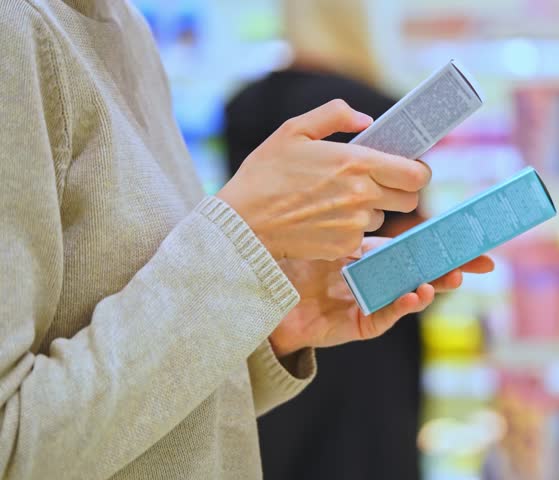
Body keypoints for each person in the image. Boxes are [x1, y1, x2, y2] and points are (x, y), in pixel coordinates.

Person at [0, 1, 494, 479]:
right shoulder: (17, 32)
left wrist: (272, 331)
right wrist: (239, 247)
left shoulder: (129, 33)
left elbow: (141, 409)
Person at [225, 2, 425, 479]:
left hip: (265, 327)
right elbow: (406, 237)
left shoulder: (242, 106)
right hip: (359, 326)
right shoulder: (369, 104)